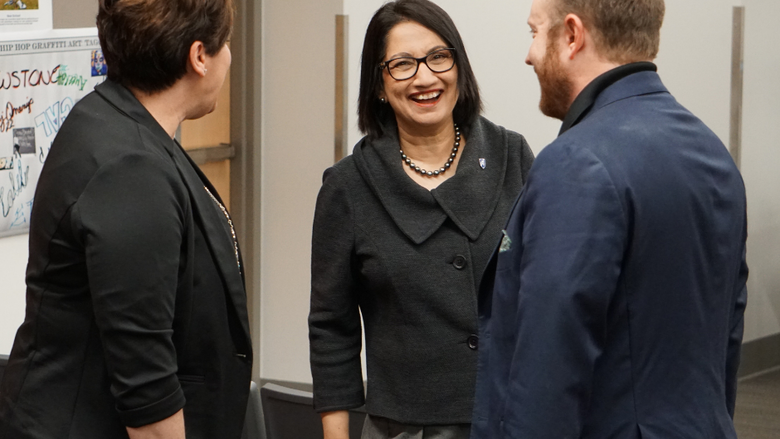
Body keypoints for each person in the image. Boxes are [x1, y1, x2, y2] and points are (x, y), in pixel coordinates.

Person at [471, 0, 748, 438]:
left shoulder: (576, 162)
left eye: (535, 32)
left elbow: (551, 363)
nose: (528, 54)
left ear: (572, 36)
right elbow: (724, 341)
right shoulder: (712, 153)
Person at [0, 1, 252, 438]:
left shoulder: (113, 121)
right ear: (198, 57)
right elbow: (147, 400)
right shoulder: (129, 168)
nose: (228, 55)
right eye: (225, 43)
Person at [308, 1, 534, 438]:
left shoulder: (512, 156)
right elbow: (330, 327)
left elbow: (545, 290)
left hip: (511, 418)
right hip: (404, 430)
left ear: (459, 66)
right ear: (378, 83)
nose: (425, 77)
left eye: (438, 57)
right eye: (402, 65)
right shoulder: (348, 186)